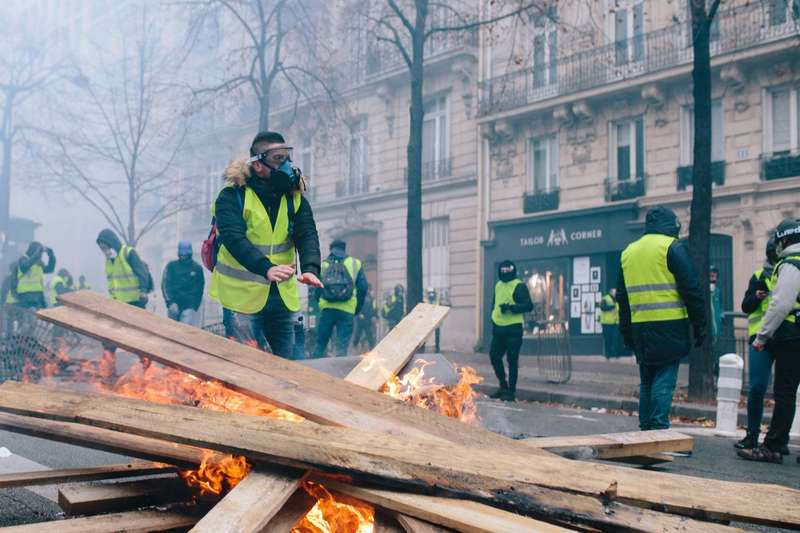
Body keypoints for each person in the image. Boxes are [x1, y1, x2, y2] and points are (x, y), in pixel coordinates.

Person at [210, 131, 322, 359]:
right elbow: (234, 239)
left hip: (282, 297)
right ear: (258, 165)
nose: (287, 165)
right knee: (245, 368)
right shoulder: (232, 197)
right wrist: (266, 268)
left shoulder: (294, 198)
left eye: (287, 157)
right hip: (241, 300)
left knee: (295, 369)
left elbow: (307, 234)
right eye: (278, 159)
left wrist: (310, 268)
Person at [617, 206, 705, 431]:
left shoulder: (628, 252)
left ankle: (646, 429)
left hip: (640, 328)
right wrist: (700, 324)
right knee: (664, 381)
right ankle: (657, 430)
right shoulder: (672, 247)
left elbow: (623, 299)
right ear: (673, 225)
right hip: (669, 327)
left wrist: (626, 332)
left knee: (647, 379)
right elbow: (691, 290)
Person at [739, 219, 800, 464]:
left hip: (791, 334)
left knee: (784, 392)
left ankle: (773, 446)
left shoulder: (791, 263)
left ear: (784, 240)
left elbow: (781, 304)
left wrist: (762, 336)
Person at [735, 237, 779, 451]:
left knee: (784, 391)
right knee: (757, 388)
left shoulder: (792, 272)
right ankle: (752, 435)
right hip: (759, 340)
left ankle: (778, 439)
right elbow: (746, 306)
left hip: (784, 337)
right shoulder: (759, 276)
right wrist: (757, 297)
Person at [312, 239, 367, 357]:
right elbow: (363, 287)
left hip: (327, 309)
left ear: (331, 249)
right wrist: (357, 308)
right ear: (344, 248)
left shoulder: (323, 265)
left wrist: (320, 304)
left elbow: (316, 289)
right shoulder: (355, 263)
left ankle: (311, 371)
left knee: (320, 345)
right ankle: (338, 373)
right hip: (347, 309)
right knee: (341, 347)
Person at [488, 260, 533, 402]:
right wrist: (493, 318)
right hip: (498, 328)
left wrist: (512, 308)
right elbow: (494, 304)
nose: (504, 273)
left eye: (507, 271)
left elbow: (528, 305)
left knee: (512, 360)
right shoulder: (498, 285)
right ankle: (503, 386)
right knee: (494, 357)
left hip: (513, 328)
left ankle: (511, 391)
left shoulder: (519, 285)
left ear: (512, 271)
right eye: (502, 271)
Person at [96, 229, 151, 309]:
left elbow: (141, 272)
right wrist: (113, 298)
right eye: (102, 249)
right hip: (119, 303)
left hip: (135, 301)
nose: (104, 251)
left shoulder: (128, 252)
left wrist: (143, 291)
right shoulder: (109, 261)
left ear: (111, 244)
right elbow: (111, 281)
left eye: (105, 248)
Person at [161, 241, 204, 326]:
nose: (184, 257)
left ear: (190, 254)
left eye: (186, 255)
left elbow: (200, 288)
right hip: (174, 303)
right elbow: (165, 285)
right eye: (182, 255)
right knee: (172, 328)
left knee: (184, 327)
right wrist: (170, 302)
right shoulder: (171, 266)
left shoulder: (197, 268)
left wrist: (195, 306)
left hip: (189, 305)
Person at [9, 241, 56, 310]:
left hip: (38, 294)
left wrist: (51, 256)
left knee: (42, 317)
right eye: (38, 251)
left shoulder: (39, 262)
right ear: (32, 250)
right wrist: (38, 253)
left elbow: (50, 269)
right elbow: (26, 265)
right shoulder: (23, 259)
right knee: (28, 316)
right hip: (25, 295)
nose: (40, 255)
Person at [353, 285, 377, 350]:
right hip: (361, 319)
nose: (369, 291)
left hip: (368, 319)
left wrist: (375, 316)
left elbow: (374, 308)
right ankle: (355, 345)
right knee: (358, 333)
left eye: (370, 289)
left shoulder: (371, 298)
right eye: (368, 289)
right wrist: (359, 314)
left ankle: (372, 347)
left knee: (369, 333)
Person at [599, 288, 619, 358]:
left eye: (616, 292)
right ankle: (608, 354)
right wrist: (611, 307)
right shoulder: (605, 298)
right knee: (608, 339)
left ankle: (615, 354)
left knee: (615, 339)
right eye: (614, 292)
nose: (615, 294)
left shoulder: (617, 300)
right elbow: (602, 307)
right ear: (610, 292)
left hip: (615, 323)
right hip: (606, 323)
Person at [709, 265, 723, 342]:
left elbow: (721, 306)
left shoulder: (718, 291)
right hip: (708, 331)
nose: (713, 278)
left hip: (717, 330)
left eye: (714, 276)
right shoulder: (704, 292)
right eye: (711, 276)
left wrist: (721, 315)